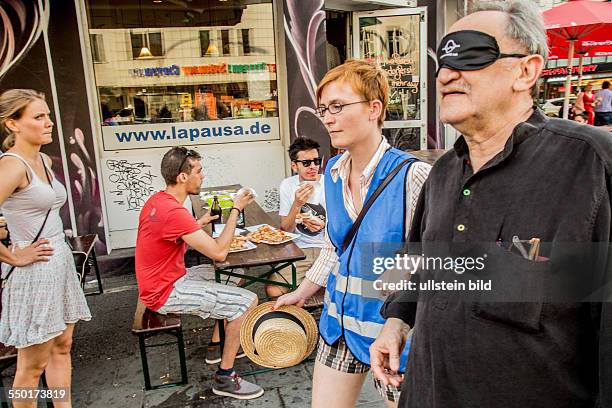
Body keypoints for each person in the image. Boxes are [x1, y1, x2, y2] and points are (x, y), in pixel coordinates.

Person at [370, 1, 612, 407]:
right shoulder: (443, 173)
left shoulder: (591, 165)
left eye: (470, 54)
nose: (446, 74)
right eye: (442, 62)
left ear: (526, 71)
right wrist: (396, 322)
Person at [273, 60, 431, 407]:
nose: (327, 118)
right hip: (338, 327)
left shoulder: (413, 176)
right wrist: (303, 291)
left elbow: (427, 260)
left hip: (393, 338)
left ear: (374, 109)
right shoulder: (330, 172)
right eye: (324, 108)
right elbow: (336, 247)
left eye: (339, 107)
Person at [135, 146, 263, 400]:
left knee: (233, 275)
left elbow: (175, 233)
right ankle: (225, 377)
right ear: (183, 177)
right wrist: (236, 209)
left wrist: (202, 221)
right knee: (247, 302)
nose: (202, 176)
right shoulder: (174, 212)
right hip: (165, 292)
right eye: (198, 171)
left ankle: (218, 345)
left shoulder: (158, 200)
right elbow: (218, 253)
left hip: (163, 280)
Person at [0, 89, 92, 408]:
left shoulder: (41, 158)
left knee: (62, 347)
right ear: (13, 124)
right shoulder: (12, 166)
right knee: (31, 366)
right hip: (34, 271)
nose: (49, 122)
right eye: (38, 117)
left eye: (48, 115)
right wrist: (13, 255)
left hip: (59, 262)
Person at [265, 137, 326, 298]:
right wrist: (297, 204)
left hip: (327, 250)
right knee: (273, 290)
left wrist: (324, 226)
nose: (313, 167)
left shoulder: (331, 184)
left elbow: (346, 225)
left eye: (316, 161)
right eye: (306, 163)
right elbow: (286, 229)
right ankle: (292, 321)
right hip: (300, 250)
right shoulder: (288, 185)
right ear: (294, 165)